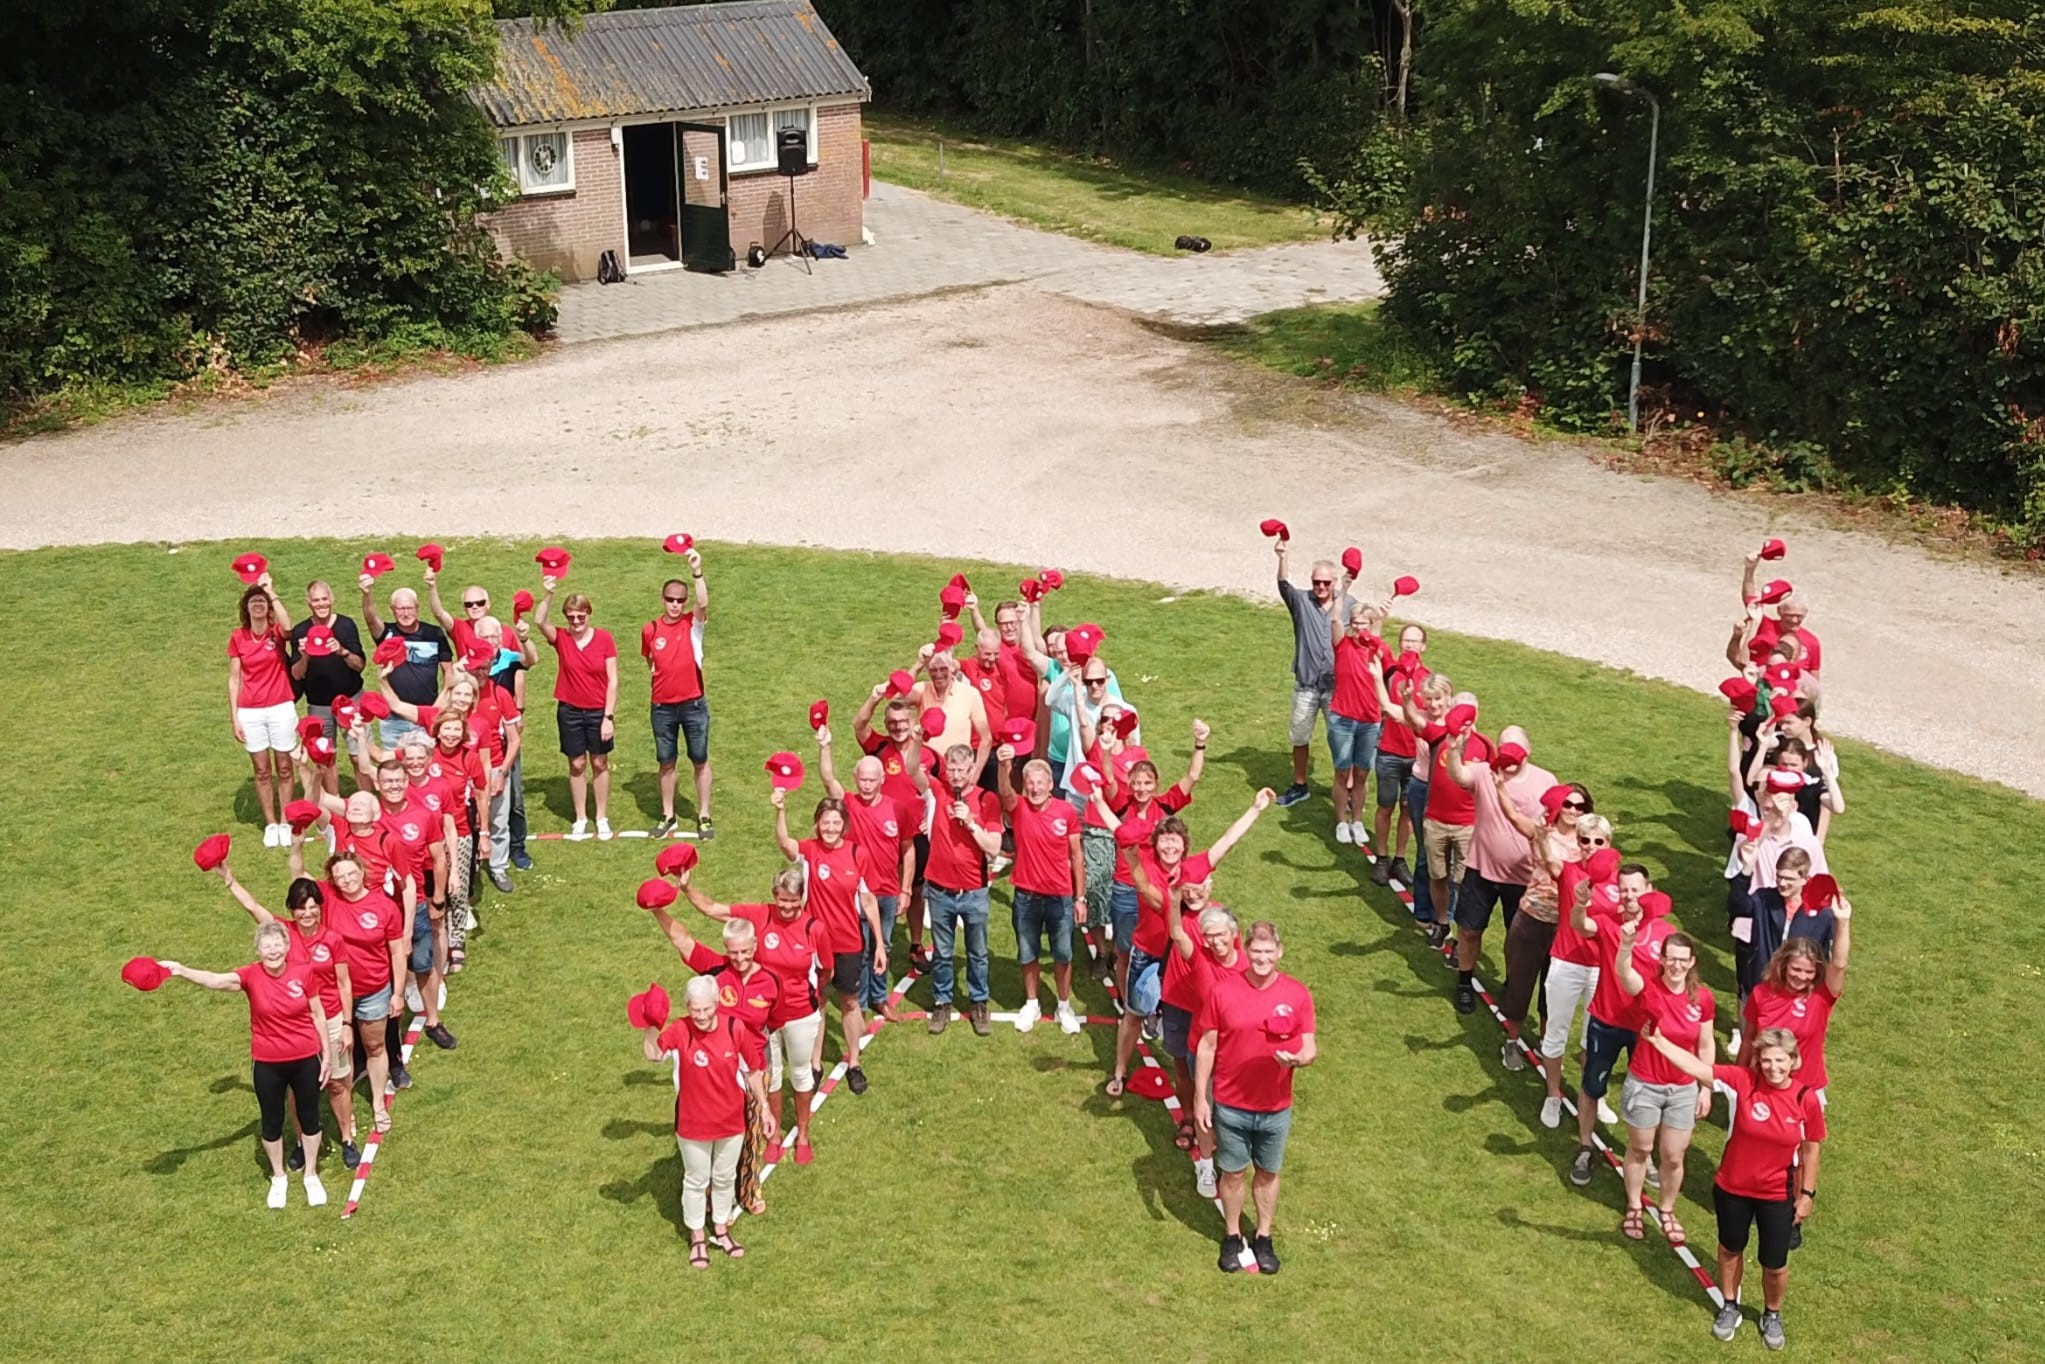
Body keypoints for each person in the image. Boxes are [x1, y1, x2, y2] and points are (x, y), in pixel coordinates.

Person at [1640, 1026, 1826, 1350]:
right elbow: (1698, 1067)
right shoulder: (1743, 1082)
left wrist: (1806, 1194)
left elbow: (1811, 1149)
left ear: (1793, 1061)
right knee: (1730, 1248)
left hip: (1777, 1196)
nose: (1773, 1067)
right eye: (1767, 1060)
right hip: (1733, 1189)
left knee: (1775, 1263)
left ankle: (1772, 1314)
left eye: (1780, 1061)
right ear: (1758, 1060)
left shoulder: (1805, 1099)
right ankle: (1729, 1304)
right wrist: (1659, 1042)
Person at [155, 921, 332, 1207]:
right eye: (267, 946)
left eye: (277, 945)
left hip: (305, 1060)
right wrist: (180, 970)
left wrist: (328, 1057)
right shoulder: (250, 976)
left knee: (310, 1119)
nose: (273, 951)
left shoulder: (304, 972)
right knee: (272, 1122)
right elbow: (215, 979)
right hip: (267, 1064)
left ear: (287, 947)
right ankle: (278, 1177)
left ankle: (311, 1174)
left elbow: (318, 1014)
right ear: (258, 950)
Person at [1112, 788, 1274, 1101]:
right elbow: (1145, 888)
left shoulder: (1196, 870)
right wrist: (1130, 854)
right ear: (1156, 844)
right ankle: (1119, 1071)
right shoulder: (1144, 861)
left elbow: (1227, 842)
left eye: (1175, 840)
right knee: (1133, 1012)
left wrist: (1255, 808)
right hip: (1149, 951)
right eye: (1164, 840)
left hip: (1186, 957)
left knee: (1197, 1011)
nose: (1169, 845)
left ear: (1185, 846)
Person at [674, 865, 828, 1164]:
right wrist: (686, 889)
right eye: (781, 900)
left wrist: (808, 997)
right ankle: (774, 1135)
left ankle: (804, 1134)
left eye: (793, 902)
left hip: (799, 1014)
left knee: (800, 1072)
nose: (786, 907)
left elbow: (826, 970)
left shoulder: (815, 929)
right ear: (774, 895)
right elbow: (713, 910)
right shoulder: (758, 915)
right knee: (771, 1078)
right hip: (763, 1015)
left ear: (802, 899)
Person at [214, 859, 361, 1170]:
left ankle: (347, 1137)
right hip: (297, 1025)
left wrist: (347, 1024)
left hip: (331, 1018)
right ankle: (300, 1140)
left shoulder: (333, 940)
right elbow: (252, 907)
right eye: (300, 908)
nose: (307, 914)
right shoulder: (283, 933)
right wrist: (229, 879)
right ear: (291, 910)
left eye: (312, 907)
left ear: (320, 907)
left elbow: (345, 983)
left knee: (337, 1083)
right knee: (297, 1089)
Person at [1192, 920, 1317, 1274]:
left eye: (1268, 952)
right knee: (1232, 1174)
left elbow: (1310, 1047)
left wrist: (1298, 1060)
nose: (1262, 959)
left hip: (1276, 1107)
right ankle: (1232, 1235)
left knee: (1268, 1172)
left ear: (1280, 952)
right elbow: (1207, 1045)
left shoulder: (1297, 994)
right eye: (1256, 952)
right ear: (1246, 952)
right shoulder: (1223, 992)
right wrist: (1201, 1098)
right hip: (1231, 1104)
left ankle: (1263, 1236)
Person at [642, 902, 781, 1216]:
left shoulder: (771, 982)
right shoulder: (716, 970)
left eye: (746, 952)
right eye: (734, 952)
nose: (740, 959)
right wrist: (656, 911)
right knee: (717, 1131)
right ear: (726, 949)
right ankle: (708, 1192)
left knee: (753, 1132)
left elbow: (778, 1021)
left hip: (756, 1064)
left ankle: (747, 1191)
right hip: (717, 1067)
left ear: (755, 946)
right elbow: (684, 941)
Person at [642, 975, 773, 1269]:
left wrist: (764, 1108)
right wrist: (650, 1024)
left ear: (717, 1004)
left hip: (731, 1122)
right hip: (693, 1125)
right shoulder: (679, 1029)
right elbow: (653, 1055)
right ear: (687, 1007)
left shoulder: (734, 1028)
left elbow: (753, 1071)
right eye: (694, 1010)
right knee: (697, 1179)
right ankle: (698, 1237)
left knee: (725, 1177)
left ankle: (722, 1230)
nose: (700, 1016)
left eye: (706, 1009)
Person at [1566, 866, 1675, 1188]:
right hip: (1606, 1020)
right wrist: (1581, 903)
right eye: (1623, 889)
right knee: (1592, 1085)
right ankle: (1585, 1147)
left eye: (1635, 889)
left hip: (1646, 1029)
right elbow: (1581, 926)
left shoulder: (1665, 935)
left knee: (1647, 1093)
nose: (1628, 896)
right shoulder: (1609, 921)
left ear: (1649, 889)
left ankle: (1645, 1156)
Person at [773, 789, 886, 1094]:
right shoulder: (809, 852)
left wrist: (878, 943)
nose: (831, 828)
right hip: (815, 945)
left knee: (849, 1002)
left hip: (849, 943)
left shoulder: (857, 854)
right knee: (818, 1003)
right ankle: (815, 1063)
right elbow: (785, 844)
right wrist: (780, 810)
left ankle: (854, 1062)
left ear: (844, 825)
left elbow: (869, 900)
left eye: (836, 823)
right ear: (817, 825)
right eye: (825, 823)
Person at [1446, 725, 1555, 1014]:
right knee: (1469, 931)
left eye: (1515, 754)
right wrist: (1456, 750)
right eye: (1505, 752)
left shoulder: (1545, 782)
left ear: (1528, 752)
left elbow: (1547, 828)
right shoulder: (1484, 772)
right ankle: (1465, 982)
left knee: (1516, 938)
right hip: (1481, 870)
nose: (1509, 763)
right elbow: (1458, 775)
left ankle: (1511, 985)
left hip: (1523, 877)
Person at [1614, 928, 1713, 1246]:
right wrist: (1626, 944)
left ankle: (1667, 1209)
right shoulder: (1648, 989)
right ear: (1662, 959)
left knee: (1673, 1156)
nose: (1676, 966)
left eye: (1683, 960)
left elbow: (1706, 1044)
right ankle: (1633, 1205)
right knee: (1641, 1149)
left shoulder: (1703, 998)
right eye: (1671, 959)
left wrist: (1706, 1086)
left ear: (1692, 962)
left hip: (1683, 1089)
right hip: (1645, 1083)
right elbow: (1624, 973)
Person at [816, 726, 917, 1022]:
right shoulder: (848, 804)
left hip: (886, 891)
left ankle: (879, 998)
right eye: (863, 779)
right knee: (857, 947)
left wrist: (907, 889)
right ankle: (858, 1003)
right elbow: (827, 779)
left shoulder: (898, 809)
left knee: (882, 944)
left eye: (873, 779)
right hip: (855, 892)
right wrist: (825, 746)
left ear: (882, 780)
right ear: (855, 779)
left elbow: (908, 850)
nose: (868, 785)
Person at [1162, 899, 1247, 1197]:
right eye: (1208, 935)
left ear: (1234, 934)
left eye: (1220, 934)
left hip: (1237, 1054)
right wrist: (1173, 900)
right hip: (1203, 1049)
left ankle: (1228, 1159)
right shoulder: (1199, 958)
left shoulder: (1250, 967)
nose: (1214, 941)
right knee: (1205, 1109)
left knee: (1232, 1112)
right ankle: (1206, 1166)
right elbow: (1176, 932)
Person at [995, 755, 1086, 1033]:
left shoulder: (1066, 812)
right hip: (1026, 896)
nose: (1034, 788)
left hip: (1060, 896)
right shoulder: (1019, 808)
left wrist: (1080, 898)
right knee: (1027, 952)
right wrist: (1003, 766)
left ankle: (1063, 1005)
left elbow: (1076, 855)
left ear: (1050, 784)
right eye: (1029, 783)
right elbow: (1005, 792)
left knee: (1063, 954)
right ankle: (1032, 1003)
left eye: (1040, 783)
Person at [921, 742, 1005, 1034]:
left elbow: (994, 847)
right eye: (952, 769)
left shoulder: (987, 800)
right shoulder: (939, 789)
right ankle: (942, 1002)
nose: (956, 775)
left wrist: (970, 822)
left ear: (973, 770)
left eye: (962, 770)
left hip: (973, 890)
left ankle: (979, 1001)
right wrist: (918, 737)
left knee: (978, 951)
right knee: (943, 952)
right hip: (940, 889)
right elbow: (911, 771)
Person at [1539, 828, 1617, 1128]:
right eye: (1585, 840)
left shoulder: (1619, 882)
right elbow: (1548, 857)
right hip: (1567, 962)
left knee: (1594, 1038)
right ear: (1577, 842)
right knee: (1556, 1031)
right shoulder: (1569, 871)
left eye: (1599, 841)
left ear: (1609, 843)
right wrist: (1543, 835)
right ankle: (1552, 1095)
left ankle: (1594, 1097)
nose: (1591, 846)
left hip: (1602, 968)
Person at [1272, 535, 1355, 808]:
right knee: (1299, 736)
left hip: (1337, 688)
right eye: (1316, 582)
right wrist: (1283, 557)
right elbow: (1283, 584)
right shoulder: (1301, 602)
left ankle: (1349, 788)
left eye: (1326, 583)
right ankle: (1300, 784)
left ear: (1334, 582)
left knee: (1342, 741)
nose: (1320, 587)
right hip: (1306, 684)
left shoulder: (1349, 605)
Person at [533, 579, 619, 839]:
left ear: (588, 614)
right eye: (571, 617)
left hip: (597, 711)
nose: (576, 621)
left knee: (600, 762)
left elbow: (613, 680)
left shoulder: (604, 638)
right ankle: (580, 817)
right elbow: (539, 621)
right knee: (577, 763)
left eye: (580, 616)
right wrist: (548, 594)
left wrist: (608, 717)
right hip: (570, 710)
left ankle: (601, 817)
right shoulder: (561, 638)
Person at [1741, 897, 1851, 1099]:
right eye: (1796, 969)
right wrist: (1739, 1080)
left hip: (1804, 1088)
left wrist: (1843, 922)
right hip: (1763, 1085)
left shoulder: (1821, 996)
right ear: (1783, 965)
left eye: (1808, 972)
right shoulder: (1762, 993)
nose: (1801, 976)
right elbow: (1748, 1039)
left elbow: (1839, 965)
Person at [642, 549, 714, 840]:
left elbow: (703, 602)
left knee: (699, 759)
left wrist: (697, 571)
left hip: (693, 705)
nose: (675, 605)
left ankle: (705, 815)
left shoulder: (692, 624)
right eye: (670, 600)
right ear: (663, 600)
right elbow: (650, 662)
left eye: (680, 600)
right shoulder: (650, 629)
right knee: (666, 761)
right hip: (662, 707)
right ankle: (668, 815)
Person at [227, 574, 298, 846]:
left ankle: (286, 821)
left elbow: (289, 627)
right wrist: (234, 718)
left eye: (262, 602)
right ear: (246, 608)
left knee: (284, 766)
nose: (258, 605)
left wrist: (272, 591)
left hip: (281, 706)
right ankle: (270, 824)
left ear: (268, 608)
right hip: (251, 711)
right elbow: (234, 680)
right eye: (253, 601)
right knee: (261, 770)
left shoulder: (275, 633)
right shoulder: (238, 638)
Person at [288, 580, 366, 802]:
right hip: (319, 706)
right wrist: (305, 654)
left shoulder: (346, 626)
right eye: (316, 600)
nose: (321, 604)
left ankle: (366, 800)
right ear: (308, 603)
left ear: (331, 599)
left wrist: (342, 651)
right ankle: (336, 804)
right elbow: (296, 674)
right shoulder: (300, 632)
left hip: (350, 700)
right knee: (325, 757)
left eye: (324, 599)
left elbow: (359, 665)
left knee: (357, 754)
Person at [1369, 624, 1429, 886]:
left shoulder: (1429, 680)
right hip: (1389, 752)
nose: (1409, 645)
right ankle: (1381, 857)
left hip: (1416, 756)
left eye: (1415, 641)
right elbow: (1375, 644)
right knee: (1385, 806)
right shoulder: (1391, 673)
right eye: (1405, 640)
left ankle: (1400, 858)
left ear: (1423, 646)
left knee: (1408, 809)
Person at [359, 578, 451, 749]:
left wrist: (437, 709)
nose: (406, 613)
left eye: (409, 608)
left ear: (417, 608)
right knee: (394, 770)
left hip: (426, 714)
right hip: (395, 719)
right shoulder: (387, 634)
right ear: (392, 610)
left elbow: (449, 674)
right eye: (400, 608)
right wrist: (367, 594)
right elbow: (371, 619)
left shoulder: (434, 634)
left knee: (426, 768)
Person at [1327, 601, 1388, 844]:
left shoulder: (1376, 649)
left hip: (1370, 720)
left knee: (1362, 773)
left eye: (1363, 624)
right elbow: (1334, 621)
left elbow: (1378, 635)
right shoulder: (1342, 644)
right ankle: (1342, 821)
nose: (1359, 628)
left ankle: (1358, 820)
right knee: (1342, 772)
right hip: (1342, 718)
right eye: (1355, 623)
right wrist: (1342, 589)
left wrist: (1382, 618)